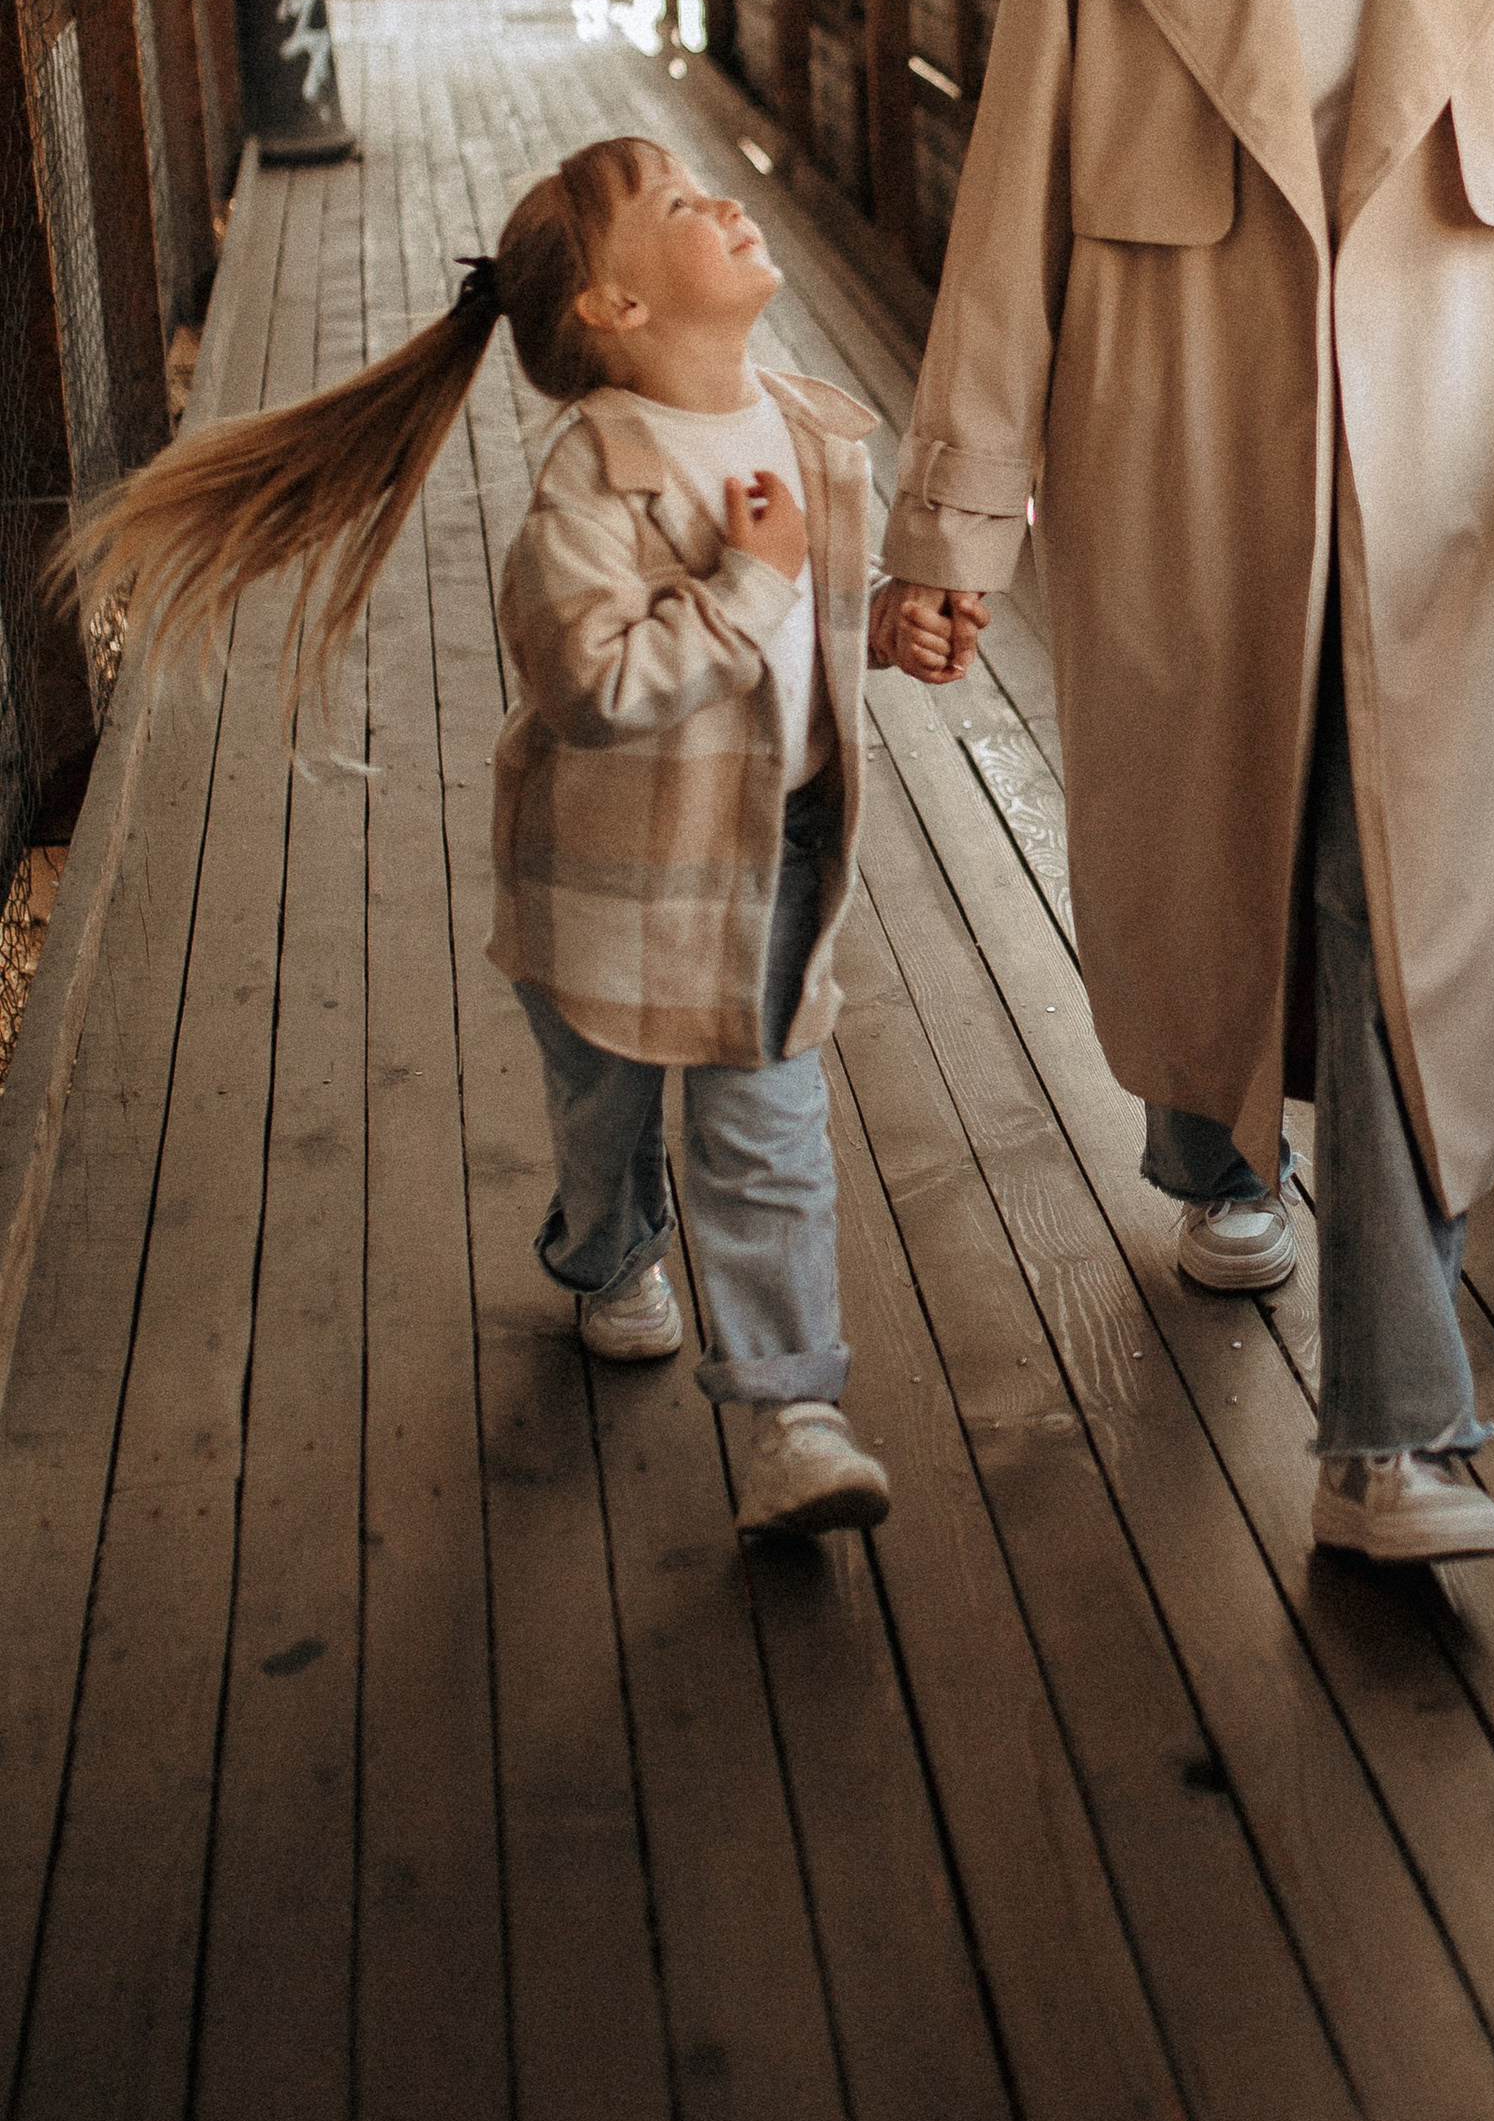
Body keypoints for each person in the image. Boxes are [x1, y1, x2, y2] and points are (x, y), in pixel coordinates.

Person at [878, 0, 1494, 1564]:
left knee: (1403, 910)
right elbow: (1004, 220)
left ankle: (1390, 1437)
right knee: (1215, 837)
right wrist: (954, 535)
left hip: (1446, 500)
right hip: (1181, 471)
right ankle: (1213, 1160)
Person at [67, 135, 945, 1543]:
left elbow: (810, 619)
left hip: (769, 859)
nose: (721, 200)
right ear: (614, 310)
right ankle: (604, 1257)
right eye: (673, 205)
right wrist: (746, 584)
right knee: (610, 1125)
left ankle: (794, 1416)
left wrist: (886, 618)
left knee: (767, 1134)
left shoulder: (805, 428)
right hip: (608, 887)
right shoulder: (589, 488)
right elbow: (593, 686)